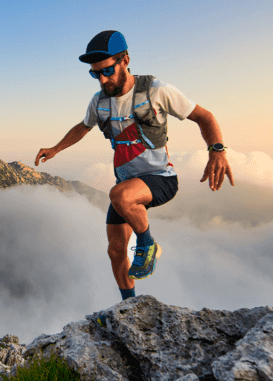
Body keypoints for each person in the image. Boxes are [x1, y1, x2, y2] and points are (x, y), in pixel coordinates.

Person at [35, 30, 234, 302]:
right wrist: (56, 149)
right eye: (96, 74)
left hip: (160, 179)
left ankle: (147, 243)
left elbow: (204, 117)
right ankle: (129, 304)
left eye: (108, 70)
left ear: (125, 60)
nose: (103, 79)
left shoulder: (157, 90)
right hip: (128, 185)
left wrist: (217, 151)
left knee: (119, 196)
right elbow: (84, 127)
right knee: (115, 251)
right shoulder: (100, 101)